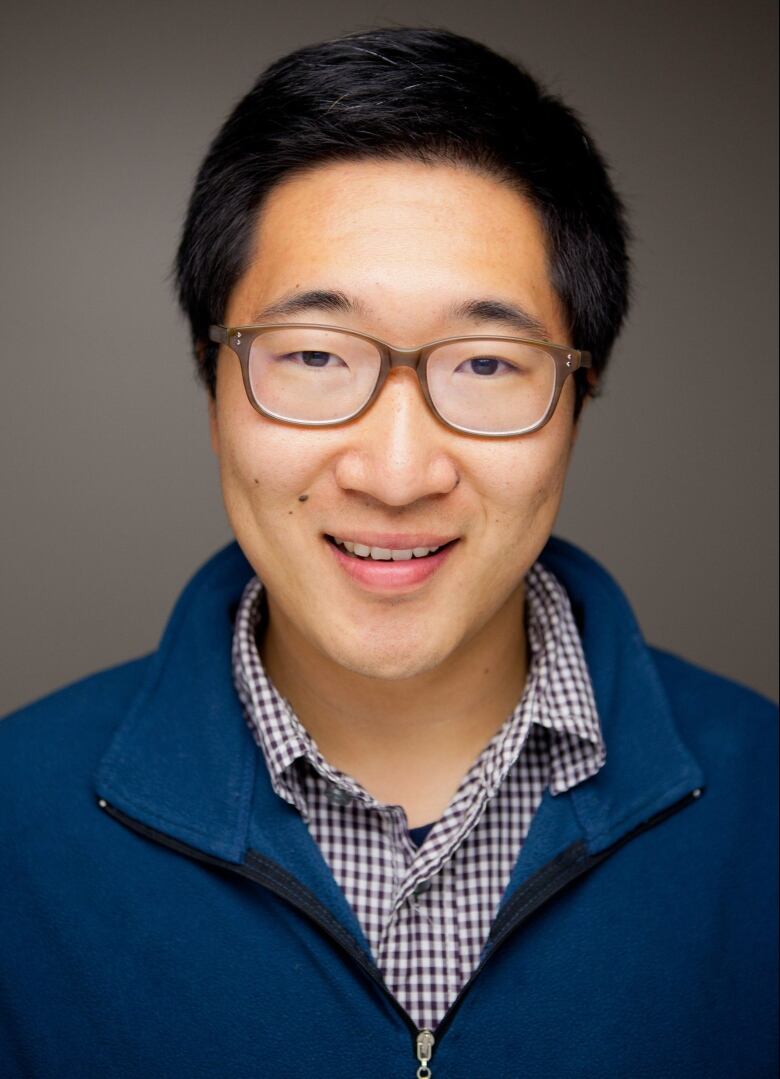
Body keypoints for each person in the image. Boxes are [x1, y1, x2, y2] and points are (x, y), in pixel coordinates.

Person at [0, 26, 776, 1079]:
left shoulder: (762, 803)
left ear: (579, 396)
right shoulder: (17, 822)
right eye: (315, 354)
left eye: (488, 363)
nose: (399, 470)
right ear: (212, 379)